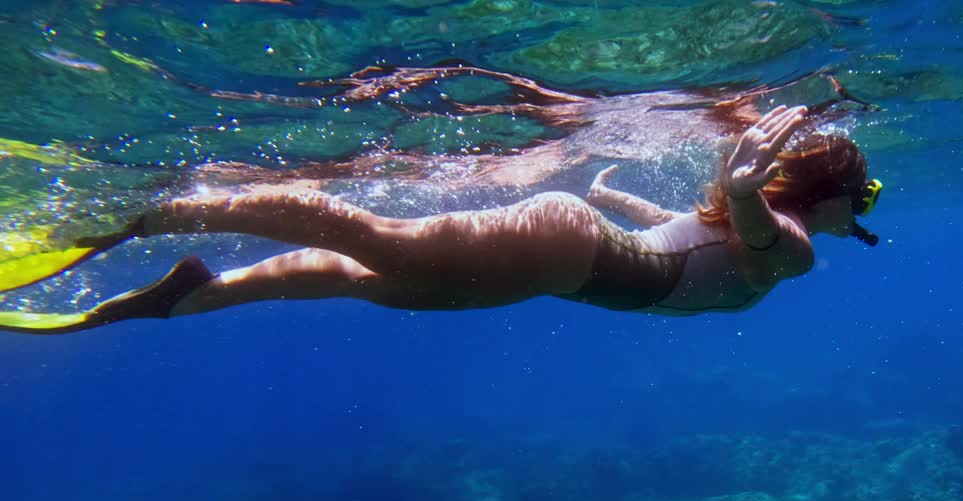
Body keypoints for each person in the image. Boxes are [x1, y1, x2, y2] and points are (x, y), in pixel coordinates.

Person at [0, 105, 882, 333]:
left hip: (570, 249)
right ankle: (144, 217)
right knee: (370, 242)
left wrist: (614, 192)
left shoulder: (751, 228)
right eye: (867, 195)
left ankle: (192, 292)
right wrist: (738, 193)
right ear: (828, 194)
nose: (865, 212)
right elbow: (764, 240)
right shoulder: (792, 247)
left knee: (370, 278)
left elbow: (675, 230)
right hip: (565, 258)